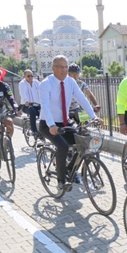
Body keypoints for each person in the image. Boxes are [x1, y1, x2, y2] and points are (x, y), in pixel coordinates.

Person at [39, 55, 102, 190]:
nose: (64, 70)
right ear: (53, 68)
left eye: (66, 67)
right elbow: (45, 106)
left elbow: (82, 98)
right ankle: (61, 181)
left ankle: (69, 169)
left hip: (64, 122)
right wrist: (51, 125)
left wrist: (93, 117)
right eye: (60, 67)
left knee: (83, 143)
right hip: (48, 123)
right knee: (63, 146)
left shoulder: (70, 82)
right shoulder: (46, 84)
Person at [18, 69, 42, 135]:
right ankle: (33, 130)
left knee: (44, 114)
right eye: (28, 76)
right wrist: (26, 101)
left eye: (32, 76)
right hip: (26, 105)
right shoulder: (22, 83)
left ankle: (43, 131)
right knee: (32, 111)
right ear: (24, 76)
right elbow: (22, 93)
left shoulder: (36, 82)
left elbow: (42, 90)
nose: (31, 77)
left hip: (37, 104)